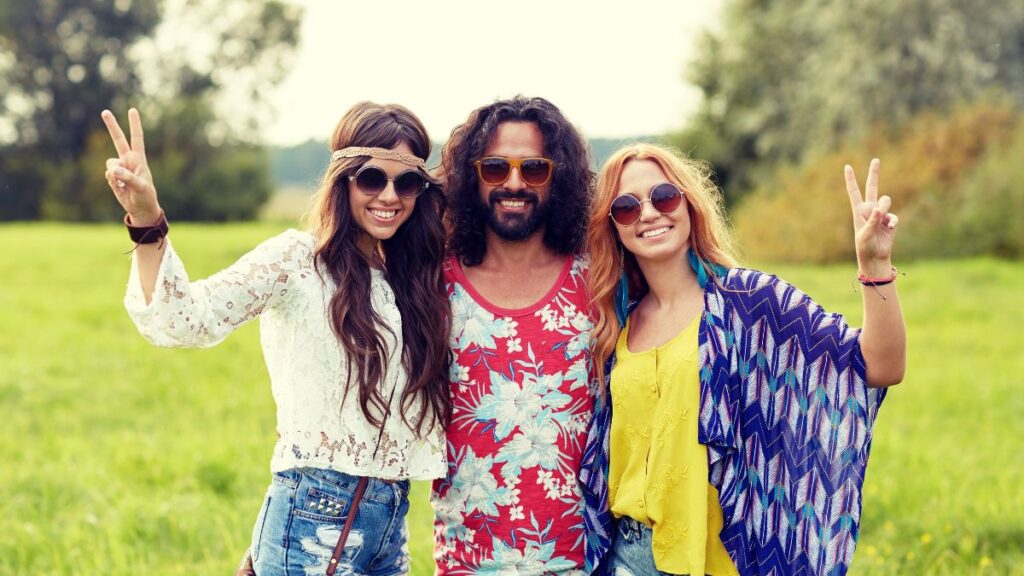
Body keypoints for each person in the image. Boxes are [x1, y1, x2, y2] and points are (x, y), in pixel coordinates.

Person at [101, 102, 452, 576]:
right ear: (342, 180)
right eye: (372, 178)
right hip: (314, 516)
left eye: (406, 182)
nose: (389, 195)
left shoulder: (413, 277)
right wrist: (147, 221)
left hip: (390, 520)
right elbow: (184, 318)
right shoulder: (297, 261)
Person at [580, 143, 905, 575]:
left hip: (721, 556)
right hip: (627, 557)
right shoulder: (616, 324)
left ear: (689, 204)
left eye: (663, 196)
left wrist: (875, 265)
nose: (649, 213)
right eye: (626, 207)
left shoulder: (749, 301)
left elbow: (879, 367)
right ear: (613, 226)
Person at [430, 96, 602, 575]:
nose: (513, 183)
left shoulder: (601, 282)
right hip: (468, 563)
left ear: (560, 177)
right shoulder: (433, 287)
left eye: (534, 169)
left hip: (588, 562)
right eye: (494, 167)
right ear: (470, 176)